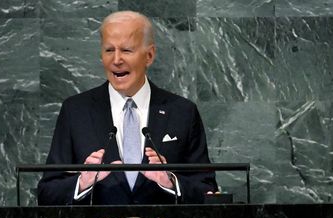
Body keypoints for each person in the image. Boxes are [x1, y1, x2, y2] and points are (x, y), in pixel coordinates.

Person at [38, 11, 217, 205]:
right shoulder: (75, 111)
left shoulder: (182, 112)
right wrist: (83, 182)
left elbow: (208, 191)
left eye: (126, 50)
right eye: (108, 50)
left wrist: (170, 181)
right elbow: (47, 193)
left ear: (149, 55)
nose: (116, 60)